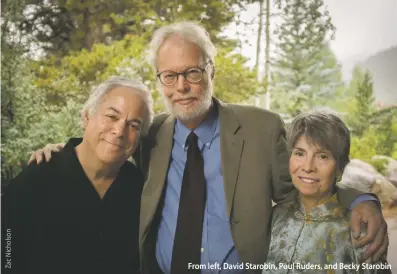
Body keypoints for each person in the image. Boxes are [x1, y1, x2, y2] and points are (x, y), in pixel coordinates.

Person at [28, 22, 388, 274]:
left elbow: (306, 181)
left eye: (192, 72)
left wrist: (360, 199)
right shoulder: (149, 133)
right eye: (169, 76)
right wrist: (61, 153)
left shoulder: (260, 127)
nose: (181, 86)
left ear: (211, 70)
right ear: (160, 81)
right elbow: (107, 146)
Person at [2, 77, 153, 274]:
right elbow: (6, 259)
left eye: (134, 125)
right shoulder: (35, 180)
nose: (119, 131)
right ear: (87, 117)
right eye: (112, 116)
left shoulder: (140, 189)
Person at [264, 112, 391, 274]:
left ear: (340, 168)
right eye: (300, 153)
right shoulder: (276, 216)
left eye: (322, 156)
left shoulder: (360, 230)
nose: (308, 167)